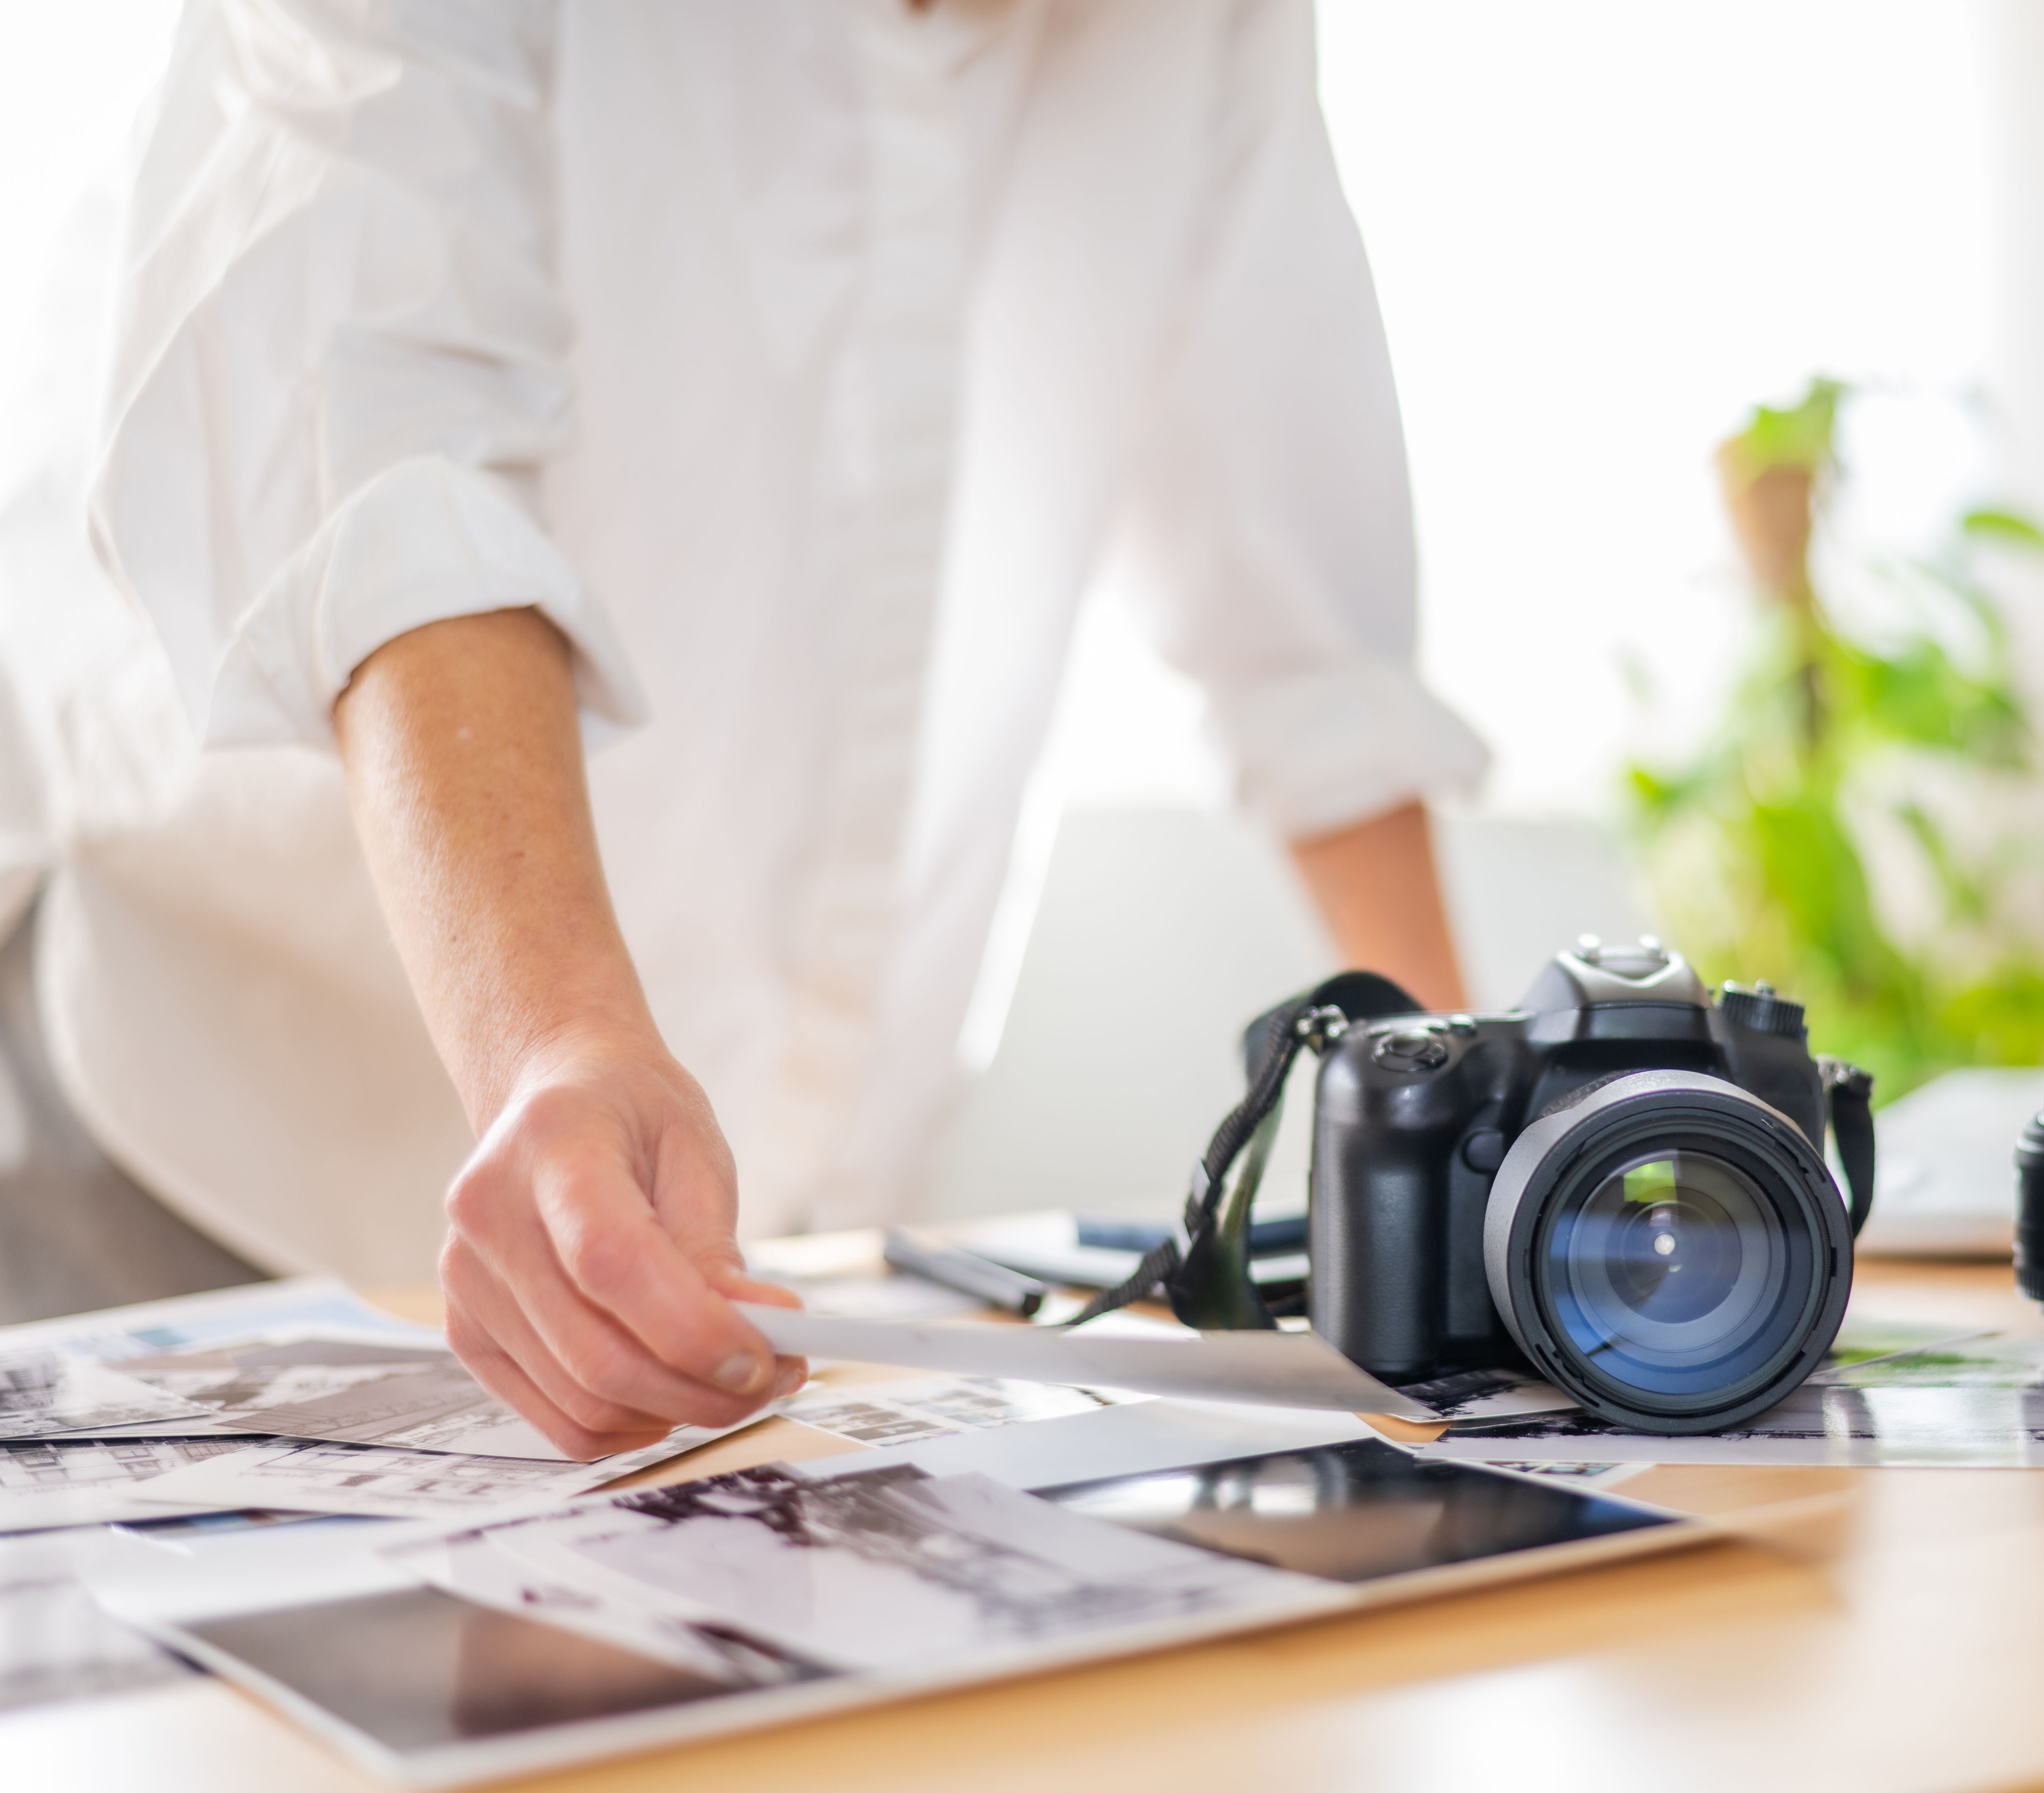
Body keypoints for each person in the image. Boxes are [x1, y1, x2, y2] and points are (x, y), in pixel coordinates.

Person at [22, 0, 1485, 1458]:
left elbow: (1303, 637)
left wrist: (1500, 1151)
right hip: (192, 1125)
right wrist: (551, 1040)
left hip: (773, 1238)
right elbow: (374, 449)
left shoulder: (1216, 29)